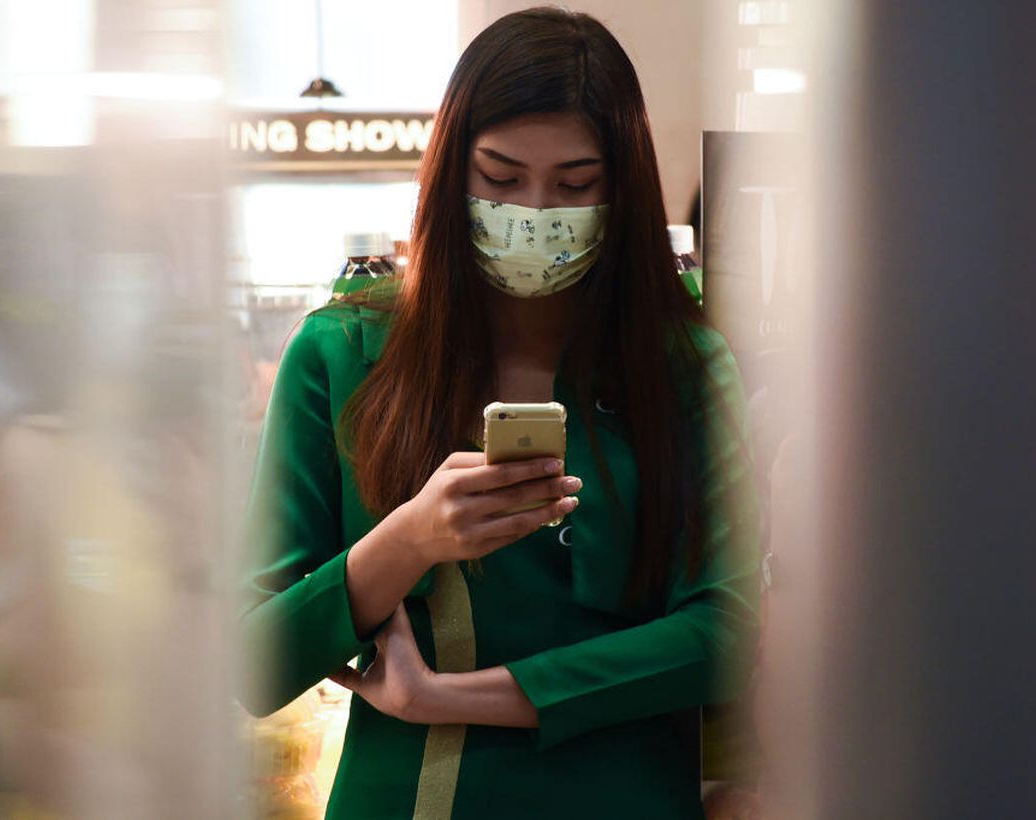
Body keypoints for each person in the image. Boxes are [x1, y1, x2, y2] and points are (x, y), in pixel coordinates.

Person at [237, 8, 761, 818]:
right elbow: (253, 664)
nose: (535, 210)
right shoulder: (342, 353)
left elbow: (726, 635)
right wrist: (408, 540)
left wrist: (450, 698)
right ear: (452, 171)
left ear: (621, 189)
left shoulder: (681, 369)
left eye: (576, 184)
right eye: (501, 176)